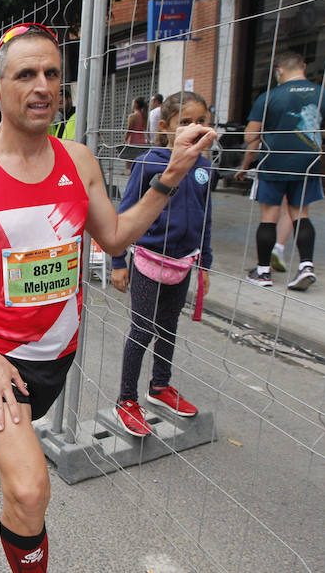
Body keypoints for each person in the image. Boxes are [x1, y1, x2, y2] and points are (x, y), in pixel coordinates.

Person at [0, 23, 215, 573]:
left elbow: (116, 237)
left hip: (57, 352)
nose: (42, 86)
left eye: (52, 74)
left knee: (18, 437)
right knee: (30, 491)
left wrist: (172, 174)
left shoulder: (78, 161)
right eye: (26, 74)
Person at [111, 91, 213, 436]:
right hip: (149, 261)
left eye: (202, 121)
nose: (194, 128)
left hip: (183, 264)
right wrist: (117, 261)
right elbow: (123, 214)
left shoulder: (204, 166)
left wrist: (206, 265)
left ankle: (160, 387)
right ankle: (126, 399)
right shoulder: (150, 162)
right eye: (186, 122)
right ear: (166, 127)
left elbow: (206, 217)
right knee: (142, 331)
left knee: (169, 328)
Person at [240, 51, 325, 291]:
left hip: (273, 163)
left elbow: (250, 136)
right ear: (304, 67)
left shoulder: (269, 96)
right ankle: (306, 266)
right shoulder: (322, 93)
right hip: (308, 163)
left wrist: (246, 165)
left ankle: (263, 271)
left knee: (269, 216)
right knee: (301, 214)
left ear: (278, 71)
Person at [122, 96, 149, 174]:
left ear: (136, 104)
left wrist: (124, 141)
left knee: (128, 163)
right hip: (142, 141)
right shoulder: (144, 116)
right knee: (139, 162)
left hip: (133, 141)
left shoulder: (133, 116)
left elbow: (129, 130)